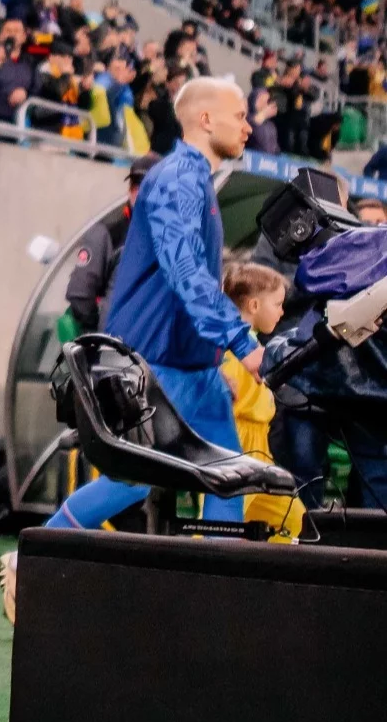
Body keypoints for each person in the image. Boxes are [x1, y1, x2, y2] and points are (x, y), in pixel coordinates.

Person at [31, 79, 260, 534]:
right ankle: (34, 554)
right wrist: (242, 341)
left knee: (230, 477)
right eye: (240, 116)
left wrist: (212, 362)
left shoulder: (197, 180)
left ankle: (220, 589)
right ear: (206, 119)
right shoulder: (177, 178)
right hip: (154, 361)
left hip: (192, 365)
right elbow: (186, 272)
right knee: (133, 480)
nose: (249, 127)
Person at [219, 262, 302, 542]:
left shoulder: (249, 346)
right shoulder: (233, 354)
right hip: (238, 445)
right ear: (254, 305)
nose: (282, 311)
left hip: (259, 449)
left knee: (291, 516)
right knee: (220, 523)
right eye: (277, 304)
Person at [63, 153, 156, 334]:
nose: (140, 191)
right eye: (135, 185)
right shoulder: (107, 232)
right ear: (129, 190)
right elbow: (79, 293)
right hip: (115, 350)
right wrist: (96, 332)